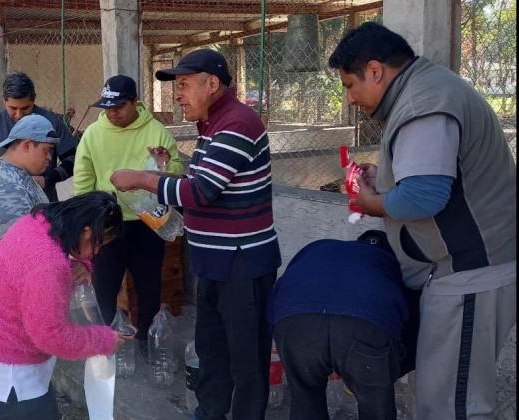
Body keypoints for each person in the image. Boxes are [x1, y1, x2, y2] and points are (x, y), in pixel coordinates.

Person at [328, 22, 516, 419]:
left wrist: (371, 201)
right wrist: (383, 180)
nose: (350, 99)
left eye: (349, 85)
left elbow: (422, 197)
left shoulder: (422, 104)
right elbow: (432, 176)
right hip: (460, 271)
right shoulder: (425, 90)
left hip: (470, 272)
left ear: (375, 70)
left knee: (454, 405)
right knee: (440, 394)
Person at [110, 49, 282, 420]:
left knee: (247, 359)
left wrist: (143, 179)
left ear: (213, 84)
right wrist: (162, 175)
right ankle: (209, 413)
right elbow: (195, 185)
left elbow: (200, 192)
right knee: (211, 349)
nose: (178, 94)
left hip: (243, 264)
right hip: (217, 263)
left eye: (185, 85)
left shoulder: (237, 123)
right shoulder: (212, 128)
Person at [0, 191, 130, 420]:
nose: (96, 253)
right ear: (87, 232)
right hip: (10, 380)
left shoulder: (39, 222)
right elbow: (51, 336)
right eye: (99, 244)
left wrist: (83, 264)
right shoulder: (48, 264)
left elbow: (70, 256)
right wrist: (103, 340)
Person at [74, 74, 183, 343]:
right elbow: (83, 180)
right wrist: (89, 222)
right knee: (104, 286)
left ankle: (147, 340)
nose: (112, 113)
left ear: (135, 102)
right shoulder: (93, 134)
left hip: (148, 224)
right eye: (107, 107)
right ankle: (106, 340)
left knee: (149, 287)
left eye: (119, 106)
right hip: (107, 225)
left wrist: (165, 164)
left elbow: (177, 173)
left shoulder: (156, 131)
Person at [268, 231, 409, 420]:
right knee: (376, 408)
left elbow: (278, 297)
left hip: (295, 322)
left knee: (305, 399)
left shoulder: (319, 248)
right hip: (364, 325)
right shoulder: (391, 264)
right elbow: (409, 326)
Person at [0, 114, 59, 284]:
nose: (50, 157)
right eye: (47, 150)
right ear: (27, 145)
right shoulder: (6, 187)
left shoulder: (18, 175)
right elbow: (27, 247)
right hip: (7, 285)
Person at [0, 71, 78, 202]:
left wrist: (47, 179)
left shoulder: (53, 122)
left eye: (25, 108)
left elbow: (73, 161)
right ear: (4, 101)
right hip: (4, 201)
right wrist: (0, 176)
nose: (19, 114)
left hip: (43, 203)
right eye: (13, 108)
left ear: (34, 99)